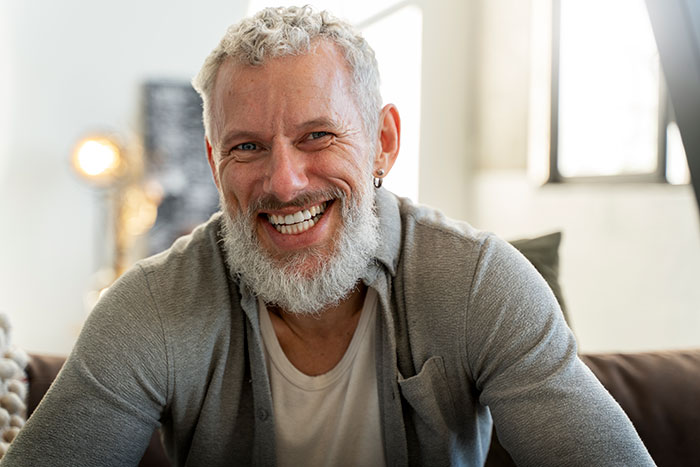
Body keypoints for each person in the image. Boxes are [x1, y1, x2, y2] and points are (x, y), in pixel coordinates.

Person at [3, 6, 654, 467]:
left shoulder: (479, 281)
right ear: (213, 163)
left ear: (384, 143)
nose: (283, 182)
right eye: (248, 146)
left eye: (318, 135)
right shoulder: (149, 306)